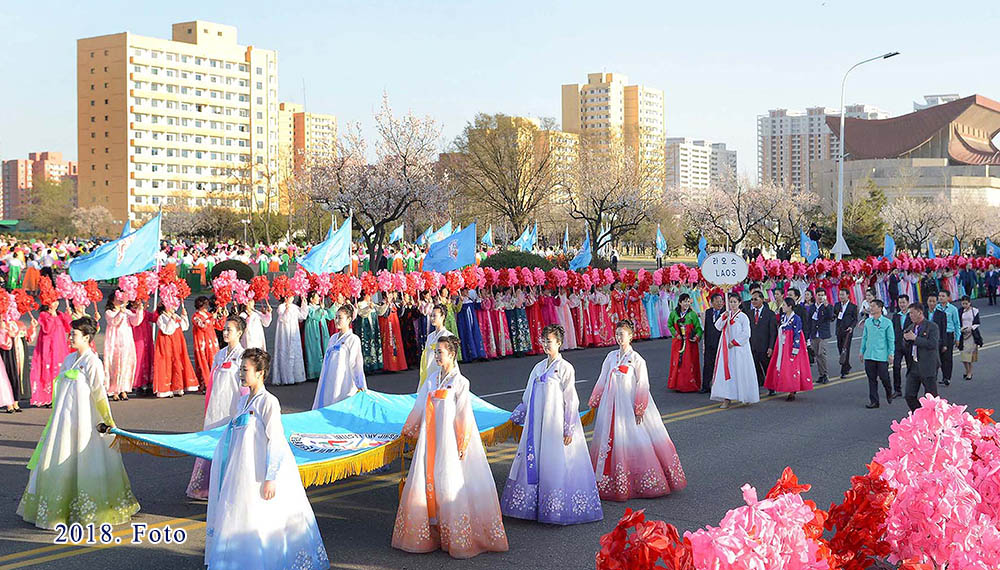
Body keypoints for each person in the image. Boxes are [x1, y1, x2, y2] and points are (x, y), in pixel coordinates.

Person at [204, 348, 329, 569]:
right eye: (240, 369)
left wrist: (271, 477)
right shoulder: (242, 402)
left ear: (260, 372)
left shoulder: (268, 402)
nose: (241, 374)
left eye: (245, 370)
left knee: (264, 519)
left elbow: (276, 440)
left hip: (260, 472)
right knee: (239, 515)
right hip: (240, 471)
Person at [17, 316, 141, 530]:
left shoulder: (93, 362)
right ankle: (58, 509)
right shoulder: (68, 360)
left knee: (87, 462)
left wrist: (108, 422)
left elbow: (99, 395)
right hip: (63, 422)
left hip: (85, 424)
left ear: (87, 337)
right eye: (71, 333)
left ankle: (90, 510)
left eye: (74, 334)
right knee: (61, 457)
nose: (70, 337)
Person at [392, 335, 509, 559]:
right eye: (435, 352)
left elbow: (464, 413)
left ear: (452, 355)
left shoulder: (460, 382)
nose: (436, 356)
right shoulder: (432, 379)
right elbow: (419, 405)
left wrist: (462, 440)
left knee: (449, 481)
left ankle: (454, 535)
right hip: (430, 439)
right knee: (430, 479)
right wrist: (410, 427)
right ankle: (431, 532)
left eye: (440, 352)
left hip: (448, 440)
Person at [501, 324, 602, 525]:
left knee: (555, 461)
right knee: (536, 459)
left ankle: (556, 508)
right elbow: (527, 396)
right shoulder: (538, 368)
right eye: (544, 340)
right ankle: (534, 506)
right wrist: (517, 416)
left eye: (550, 341)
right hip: (536, 424)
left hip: (555, 423)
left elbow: (571, 399)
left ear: (559, 343)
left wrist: (568, 427)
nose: (546, 344)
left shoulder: (565, 368)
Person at [587, 319, 687, 501]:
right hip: (611, 407)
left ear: (631, 337)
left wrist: (639, 407)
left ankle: (642, 481)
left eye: (622, 334)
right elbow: (602, 379)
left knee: (634, 439)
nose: (619, 338)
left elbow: (643, 385)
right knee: (610, 440)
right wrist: (595, 400)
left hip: (628, 406)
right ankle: (608, 481)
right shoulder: (610, 357)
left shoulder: (637, 359)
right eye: (617, 334)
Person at [187, 316, 245, 500]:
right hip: (216, 406)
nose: (226, 332)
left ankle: (228, 487)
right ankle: (204, 487)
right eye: (225, 329)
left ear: (240, 333)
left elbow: (244, 386)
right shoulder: (219, 354)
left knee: (229, 445)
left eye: (230, 330)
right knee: (211, 443)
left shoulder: (243, 356)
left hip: (231, 407)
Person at [710, 293, 760, 409]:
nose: (732, 304)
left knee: (740, 371)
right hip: (726, 350)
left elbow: (746, 333)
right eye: (730, 302)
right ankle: (726, 398)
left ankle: (745, 395)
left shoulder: (743, 317)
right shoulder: (726, 314)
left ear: (739, 303)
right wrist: (724, 317)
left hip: (739, 350)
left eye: (734, 302)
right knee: (727, 372)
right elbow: (717, 326)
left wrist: (735, 342)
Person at [313, 305, 366, 408]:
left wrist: (360, 385)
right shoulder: (333, 338)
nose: (336, 320)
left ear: (349, 319)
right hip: (329, 378)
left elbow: (356, 364)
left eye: (340, 318)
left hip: (343, 380)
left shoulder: (353, 339)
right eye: (336, 317)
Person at [764, 297, 813, 401]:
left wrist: (796, 347)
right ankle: (777, 385)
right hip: (782, 343)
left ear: (790, 306)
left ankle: (792, 390)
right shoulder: (782, 317)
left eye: (784, 305)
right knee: (780, 364)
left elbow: (797, 333)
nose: (783, 307)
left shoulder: (796, 318)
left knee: (791, 366)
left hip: (791, 343)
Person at [30, 296, 71, 407]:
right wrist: (52, 315)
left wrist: (68, 315)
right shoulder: (44, 315)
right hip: (48, 347)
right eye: (53, 301)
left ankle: (59, 395)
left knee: (60, 369)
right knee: (48, 369)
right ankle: (48, 396)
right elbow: (47, 329)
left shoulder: (60, 314)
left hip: (60, 346)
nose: (56, 303)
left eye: (56, 300)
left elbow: (68, 328)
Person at [152, 302, 198, 398]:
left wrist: (184, 316)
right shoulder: (161, 318)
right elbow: (167, 330)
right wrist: (171, 321)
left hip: (178, 342)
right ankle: (167, 389)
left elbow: (185, 327)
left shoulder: (176, 315)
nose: (173, 307)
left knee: (178, 362)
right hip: (167, 343)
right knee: (168, 363)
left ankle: (178, 387)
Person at [902, 303, 940, 411]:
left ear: (920, 312)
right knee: (909, 395)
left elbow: (932, 344)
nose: (910, 316)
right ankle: (919, 414)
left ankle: (933, 418)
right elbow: (905, 347)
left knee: (931, 397)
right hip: (914, 366)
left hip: (927, 366)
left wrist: (915, 339)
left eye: (912, 313)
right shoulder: (910, 327)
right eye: (909, 314)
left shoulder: (932, 327)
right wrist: (905, 339)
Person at [859, 300, 894, 409]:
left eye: (873, 306)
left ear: (880, 308)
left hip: (881, 355)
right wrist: (862, 351)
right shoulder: (868, 322)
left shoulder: (887, 323)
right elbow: (864, 337)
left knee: (884, 377)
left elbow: (890, 340)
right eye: (870, 306)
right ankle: (874, 401)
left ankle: (889, 391)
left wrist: (891, 354)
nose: (871, 308)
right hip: (869, 355)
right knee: (871, 378)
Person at [666, 293, 702, 392]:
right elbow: (669, 325)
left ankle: (690, 385)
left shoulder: (692, 314)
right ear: (680, 302)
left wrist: (696, 336)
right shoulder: (674, 313)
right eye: (684, 301)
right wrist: (675, 334)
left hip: (690, 344)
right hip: (678, 342)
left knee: (689, 362)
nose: (686, 303)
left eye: (688, 301)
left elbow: (698, 328)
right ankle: (677, 385)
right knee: (678, 362)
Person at [190, 296, 224, 394]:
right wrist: (210, 318)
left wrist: (221, 315)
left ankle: (214, 383)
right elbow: (202, 326)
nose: (207, 306)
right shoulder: (196, 316)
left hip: (212, 342)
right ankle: (205, 384)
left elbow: (219, 326)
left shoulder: (208, 314)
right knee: (203, 363)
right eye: (205, 304)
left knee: (213, 362)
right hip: (202, 344)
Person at [271, 294, 307, 385]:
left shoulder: (294, 307)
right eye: (290, 296)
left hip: (294, 333)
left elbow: (302, 316)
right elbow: (283, 319)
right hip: (284, 334)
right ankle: (286, 377)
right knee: (285, 353)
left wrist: (304, 304)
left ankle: (296, 377)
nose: (292, 298)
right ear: (286, 297)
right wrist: (286, 309)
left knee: (295, 353)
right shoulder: (281, 307)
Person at [418, 304, 455, 389]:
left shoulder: (448, 335)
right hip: (429, 371)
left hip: (441, 371)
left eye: (435, 316)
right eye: (431, 316)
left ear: (442, 317)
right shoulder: (430, 336)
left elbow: (452, 359)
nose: (432, 318)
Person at [746, 290, 776, 389]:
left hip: (765, 346)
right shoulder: (749, 313)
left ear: (762, 300)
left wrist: (771, 347)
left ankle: (772, 387)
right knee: (755, 367)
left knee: (767, 368)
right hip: (752, 346)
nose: (753, 301)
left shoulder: (770, 313)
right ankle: (760, 383)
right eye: (752, 299)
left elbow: (773, 332)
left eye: (756, 299)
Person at [700, 292, 725, 394]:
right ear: (712, 302)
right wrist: (705, 344)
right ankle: (705, 386)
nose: (719, 303)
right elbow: (706, 329)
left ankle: (720, 387)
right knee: (708, 365)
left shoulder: (725, 312)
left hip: (721, 343)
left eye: (721, 301)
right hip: (710, 343)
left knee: (721, 366)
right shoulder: (708, 312)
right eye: (717, 301)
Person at [935, 290, 960, 386]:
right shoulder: (937, 308)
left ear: (948, 297)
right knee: (939, 357)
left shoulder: (953, 309)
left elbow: (957, 324)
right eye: (939, 296)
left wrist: (957, 338)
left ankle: (947, 377)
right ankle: (942, 375)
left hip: (949, 334)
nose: (940, 298)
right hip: (939, 334)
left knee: (947, 357)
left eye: (943, 296)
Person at [809, 289, 834, 384]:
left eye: (822, 295)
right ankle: (821, 374)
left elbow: (831, 317)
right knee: (817, 355)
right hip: (815, 334)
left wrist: (827, 306)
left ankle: (825, 374)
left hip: (823, 334)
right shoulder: (812, 307)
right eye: (819, 295)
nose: (820, 297)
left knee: (821, 353)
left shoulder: (828, 306)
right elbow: (809, 321)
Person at [890, 294, 911, 398]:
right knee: (896, 366)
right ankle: (897, 389)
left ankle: (911, 388)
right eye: (900, 303)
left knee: (910, 367)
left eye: (903, 302)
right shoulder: (896, 316)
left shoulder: (911, 315)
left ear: (908, 303)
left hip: (909, 345)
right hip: (898, 345)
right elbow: (892, 330)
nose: (902, 305)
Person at [834, 289, 858, 379]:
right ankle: (847, 365)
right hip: (839, 330)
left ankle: (843, 370)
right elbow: (834, 316)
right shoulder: (837, 305)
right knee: (840, 349)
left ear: (848, 295)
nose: (841, 296)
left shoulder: (853, 307)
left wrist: (851, 327)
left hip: (848, 331)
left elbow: (855, 319)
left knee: (845, 350)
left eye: (843, 295)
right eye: (840, 295)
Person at [958, 295, 982, 381]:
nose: (964, 305)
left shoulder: (974, 311)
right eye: (963, 303)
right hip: (962, 334)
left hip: (971, 335)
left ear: (969, 303)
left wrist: (970, 328)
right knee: (963, 355)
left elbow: (977, 323)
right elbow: (957, 322)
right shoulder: (960, 311)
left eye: (966, 303)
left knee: (968, 355)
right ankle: (967, 370)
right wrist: (960, 329)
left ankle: (969, 372)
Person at [927, 293, 948, 386]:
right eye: (930, 301)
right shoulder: (922, 313)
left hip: (936, 342)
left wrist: (944, 344)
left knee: (935, 361)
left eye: (933, 301)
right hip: (925, 341)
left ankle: (933, 379)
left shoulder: (941, 314)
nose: (931, 303)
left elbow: (944, 329)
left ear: (937, 302)